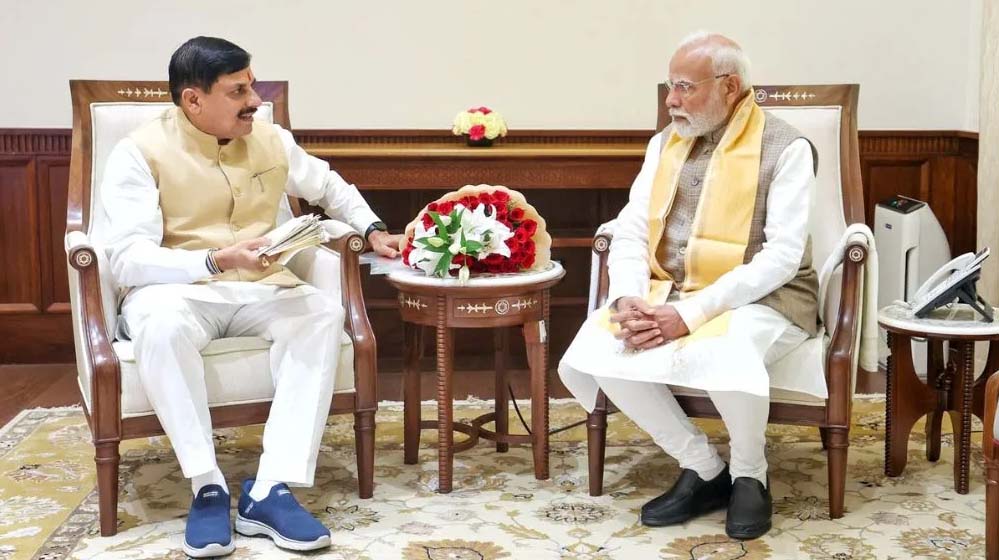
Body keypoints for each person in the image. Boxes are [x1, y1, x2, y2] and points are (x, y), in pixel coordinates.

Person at [100, 36, 401, 557]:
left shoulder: (270, 138)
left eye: (253, 86)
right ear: (193, 100)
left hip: (263, 286)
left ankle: (270, 489)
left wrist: (373, 229)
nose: (255, 100)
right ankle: (207, 485)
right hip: (178, 290)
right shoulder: (138, 152)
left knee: (320, 312)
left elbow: (329, 186)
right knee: (161, 326)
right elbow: (128, 257)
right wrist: (216, 260)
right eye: (238, 91)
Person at [559, 31, 821, 540]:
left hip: (768, 297)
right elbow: (632, 229)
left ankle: (750, 475)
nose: (670, 101)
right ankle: (703, 468)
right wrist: (628, 298)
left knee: (729, 346)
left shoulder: (787, 147)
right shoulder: (664, 144)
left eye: (684, 87)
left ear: (729, 86)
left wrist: (690, 315)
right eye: (669, 86)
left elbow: (782, 257)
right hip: (669, 289)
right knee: (603, 344)